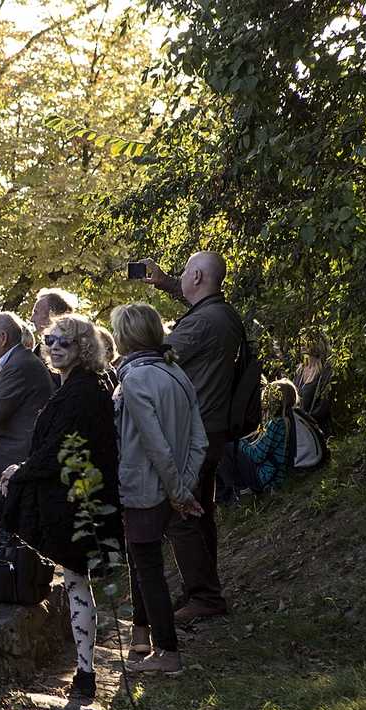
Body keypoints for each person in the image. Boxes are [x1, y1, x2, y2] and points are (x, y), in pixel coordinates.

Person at [0, 315, 121, 699]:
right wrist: (22, 470)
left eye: (66, 341)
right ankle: (85, 673)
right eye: (51, 339)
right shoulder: (78, 386)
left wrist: (19, 473)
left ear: (84, 347)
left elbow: (62, 452)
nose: (56, 346)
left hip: (67, 498)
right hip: (73, 494)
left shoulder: (82, 391)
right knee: (78, 581)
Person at [140, 252, 242, 621]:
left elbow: (156, 356)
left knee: (182, 513)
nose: (182, 276)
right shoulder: (224, 314)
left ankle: (204, 597)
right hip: (214, 430)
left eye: (184, 272)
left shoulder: (202, 323)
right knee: (201, 513)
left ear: (197, 275)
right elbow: (200, 310)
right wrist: (167, 282)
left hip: (193, 433)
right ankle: (202, 592)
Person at [110, 303, 208, 677]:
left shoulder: (134, 380)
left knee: (147, 566)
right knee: (140, 561)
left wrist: (177, 491)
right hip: (169, 485)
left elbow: (155, 444)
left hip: (146, 487)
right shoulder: (176, 372)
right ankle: (143, 634)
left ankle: (168, 651)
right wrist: (185, 483)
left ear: (125, 337)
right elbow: (199, 438)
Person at [0, 312, 55, 477]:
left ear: (2, 338)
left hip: (14, 453)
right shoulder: (19, 360)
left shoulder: (18, 365)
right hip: (15, 447)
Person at [217, 380, 296, 502]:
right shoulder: (284, 420)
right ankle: (232, 492)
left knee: (226, 446)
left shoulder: (276, 423)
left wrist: (239, 442)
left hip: (265, 477)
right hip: (271, 474)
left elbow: (257, 456)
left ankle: (234, 493)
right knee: (229, 446)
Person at [294, 331, 332, 434]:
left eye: (306, 342)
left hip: (317, 432)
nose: (302, 345)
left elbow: (323, 406)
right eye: (302, 342)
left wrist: (308, 422)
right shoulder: (300, 370)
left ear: (317, 344)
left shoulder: (325, 371)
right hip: (298, 429)